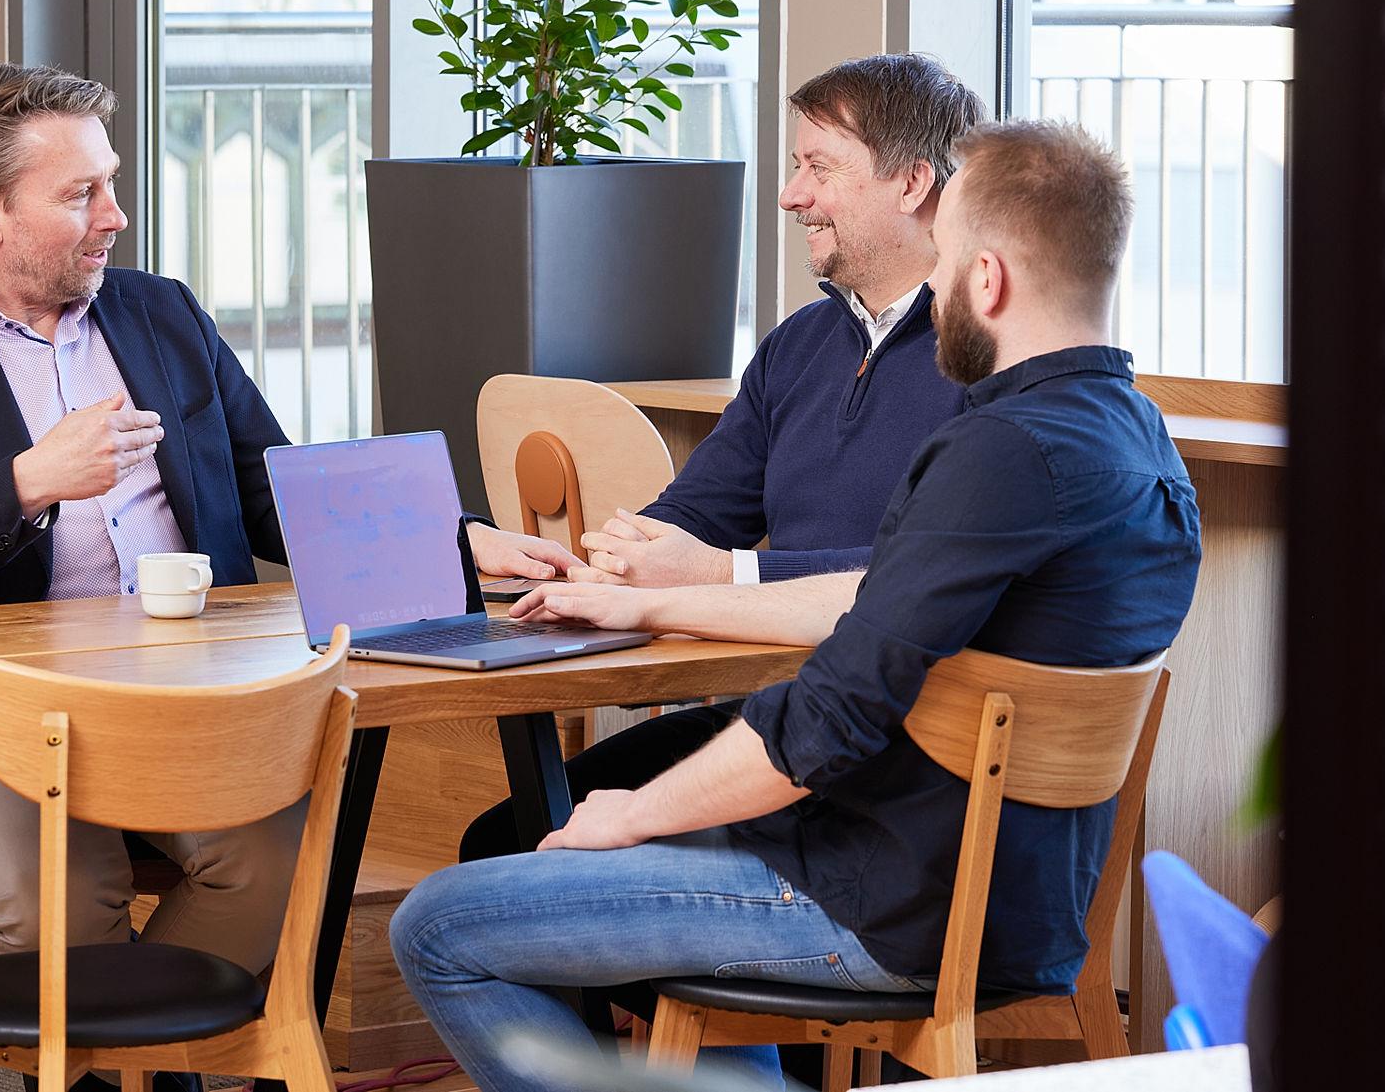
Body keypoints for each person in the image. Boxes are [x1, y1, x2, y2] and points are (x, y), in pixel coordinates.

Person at [390, 119, 1204, 1092]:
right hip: (1020, 904)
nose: (936, 287)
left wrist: (633, 814)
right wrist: (652, 608)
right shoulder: (1139, 443)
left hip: (883, 902)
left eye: (944, 262)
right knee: (680, 814)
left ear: (986, 280)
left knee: (439, 924)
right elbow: (873, 601)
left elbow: (827, 715)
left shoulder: (1000, 451)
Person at [459, 53, 982, 860]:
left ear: (913, 183)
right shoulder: (797, 346)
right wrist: (609, 564)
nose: (791, 194)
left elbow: (911, 576)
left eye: (819, 168)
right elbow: (694, 515)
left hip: (893, 758)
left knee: (534, 855)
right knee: (504, 838)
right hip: (773, 719)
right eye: (796, 166)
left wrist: (716, 574)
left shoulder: (988, 361)